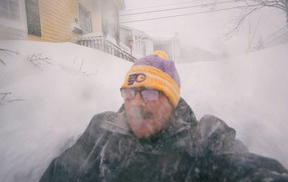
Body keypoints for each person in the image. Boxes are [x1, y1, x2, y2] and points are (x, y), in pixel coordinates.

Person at [39, 51, 288, 182]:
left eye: (148, 94)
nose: (136, 103)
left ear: (172, 100)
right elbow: (62, 172)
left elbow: (244, 168)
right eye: (129, 93)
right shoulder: (102, 129)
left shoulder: (203, 139)